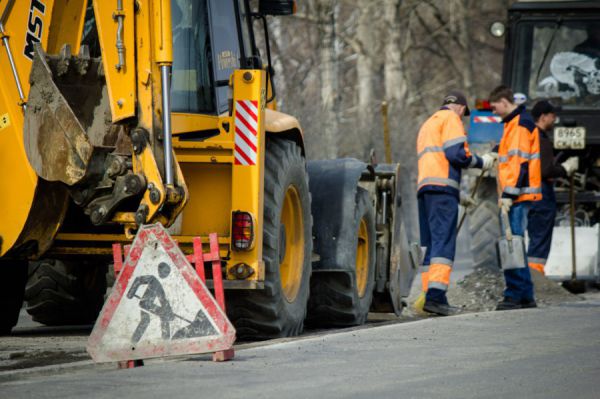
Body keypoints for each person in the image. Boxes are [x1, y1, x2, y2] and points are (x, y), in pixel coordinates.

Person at [417, 90, 496, 316]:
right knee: (443, 244)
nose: (462, 118)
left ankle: (426, 295)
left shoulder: (428, 124)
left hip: (426, 190)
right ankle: (436, 297)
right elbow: (456, 155)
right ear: (460, 108)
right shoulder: (451, 119)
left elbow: (436, 161)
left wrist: (458, 193)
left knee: (431, 245)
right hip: (442, 191)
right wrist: (483, 161)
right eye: (464, 114)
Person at [489, 85, 542, 311]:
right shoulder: (514, 123)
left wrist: (510, 193)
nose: (494, 112)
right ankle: (526, 295)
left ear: (504, 101)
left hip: (517, 194)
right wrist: (496, 149)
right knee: (516, 243)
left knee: (512, 245)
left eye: (495, 107)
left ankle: (514, 295)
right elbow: (511, 154)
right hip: (517, 193)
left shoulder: (520, 125)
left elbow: (520, 162)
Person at [527, 100, 579, 275]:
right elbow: (546, 170)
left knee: (534, 236)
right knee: (540, 238)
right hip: (541, 193)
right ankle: (536, 278)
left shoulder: (527, 134)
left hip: (529, 192)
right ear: (543, 117)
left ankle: (530, 277)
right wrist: (565, 169)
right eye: (552, 116)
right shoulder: (540, 139)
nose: (554, 120)